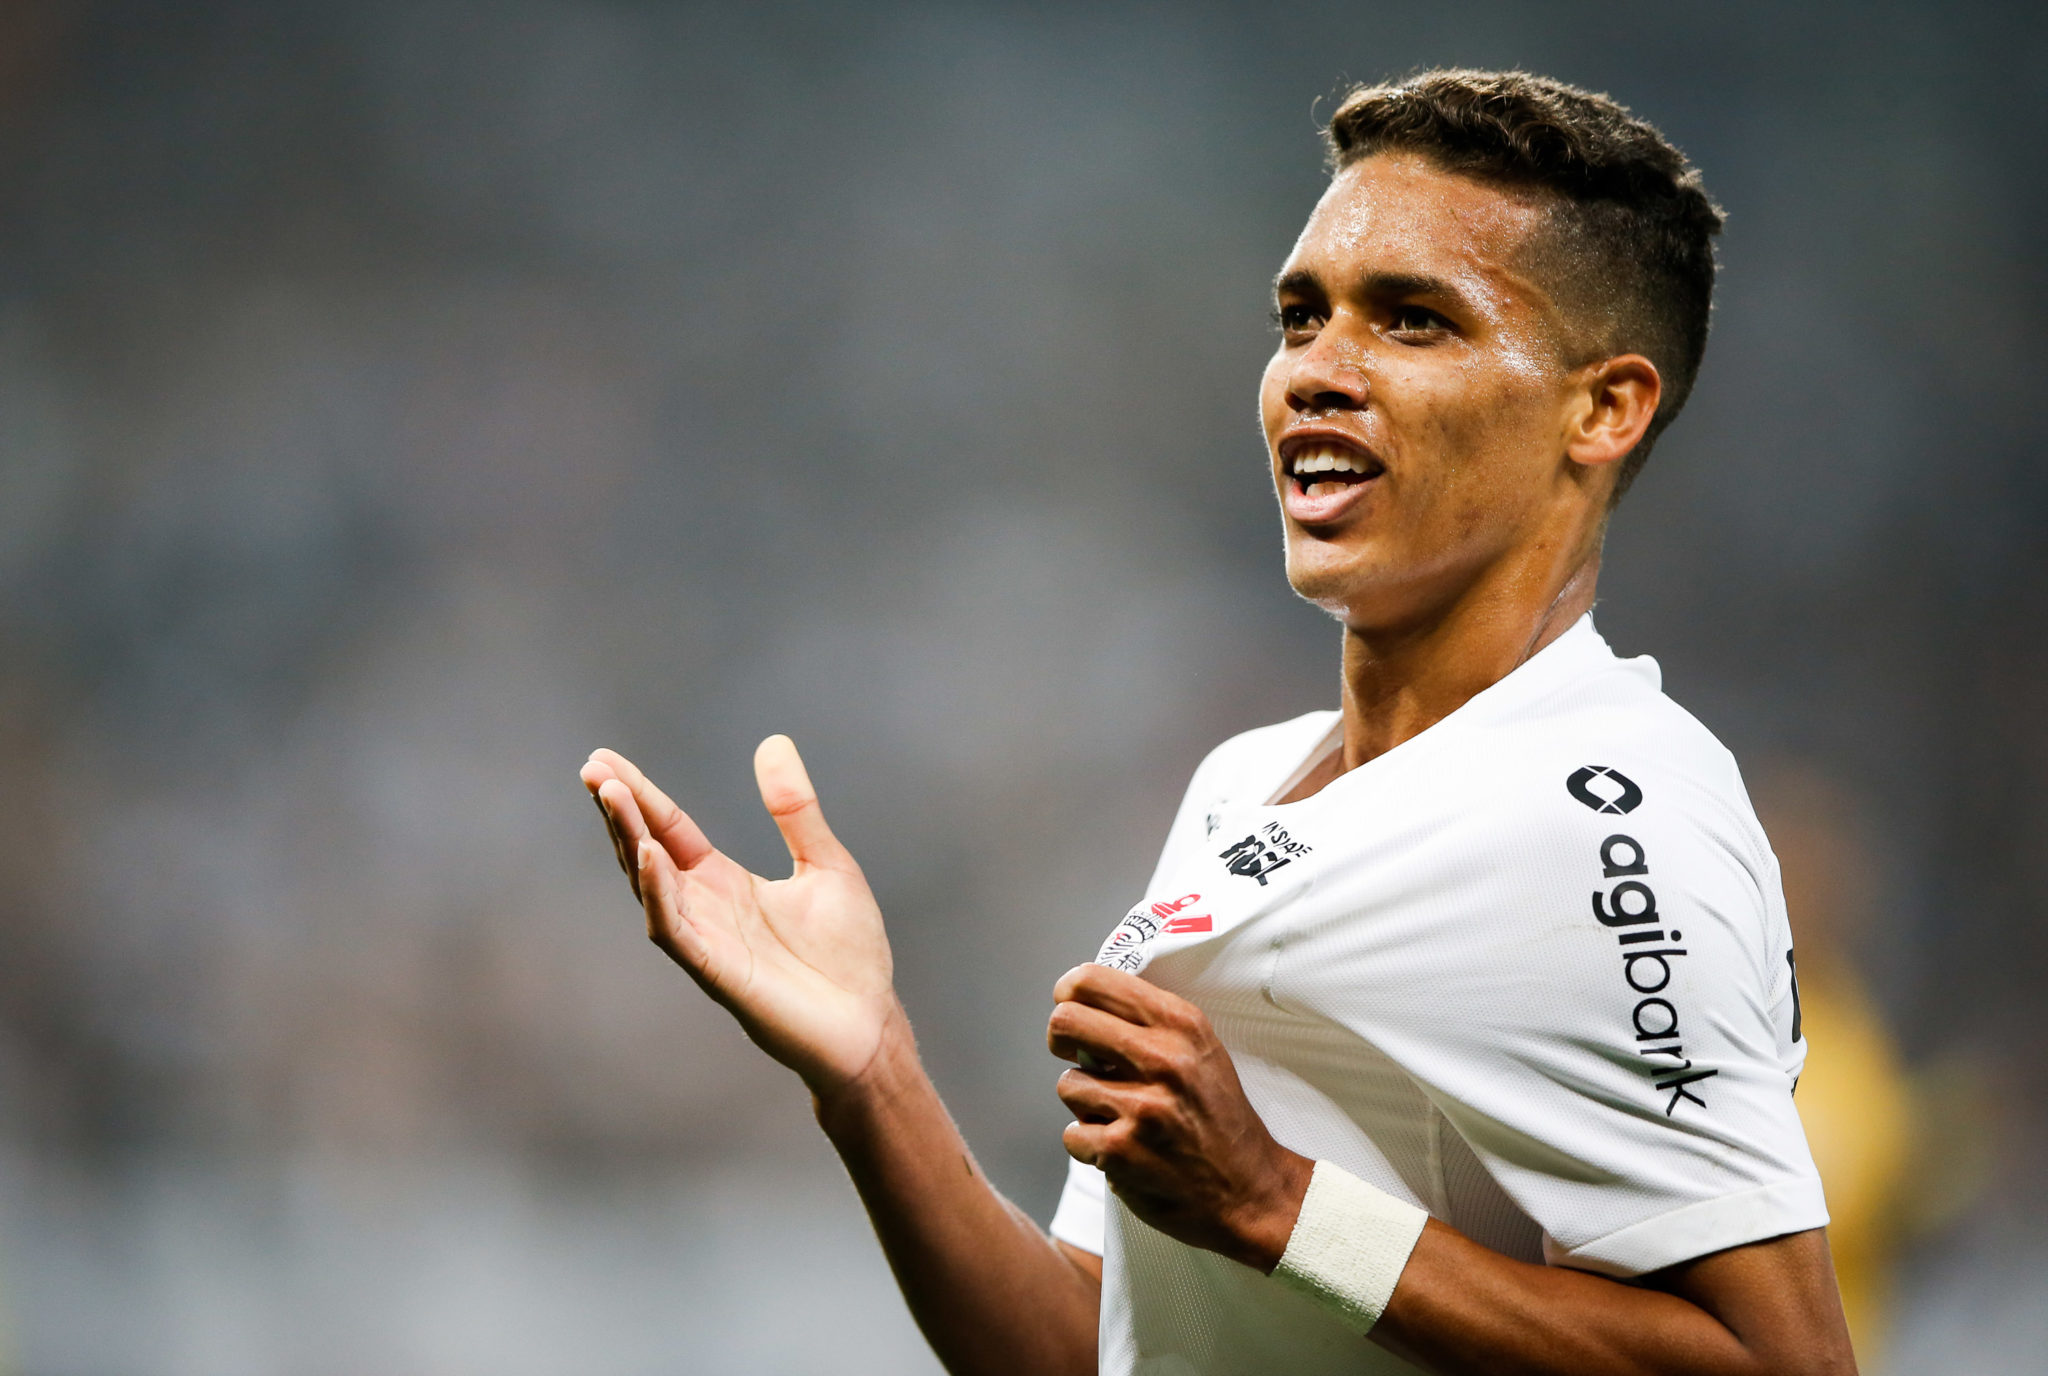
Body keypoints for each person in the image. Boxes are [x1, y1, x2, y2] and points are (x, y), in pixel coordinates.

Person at [580, 69, 1858, 1376]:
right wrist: (872, 1074)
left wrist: (1281, 1205)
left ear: (1603, 407)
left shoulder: (1612, 824)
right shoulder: (1244, 784)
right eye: (1302, 316)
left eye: (1413, 322)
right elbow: (1089, 1346)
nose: (1320, 372)